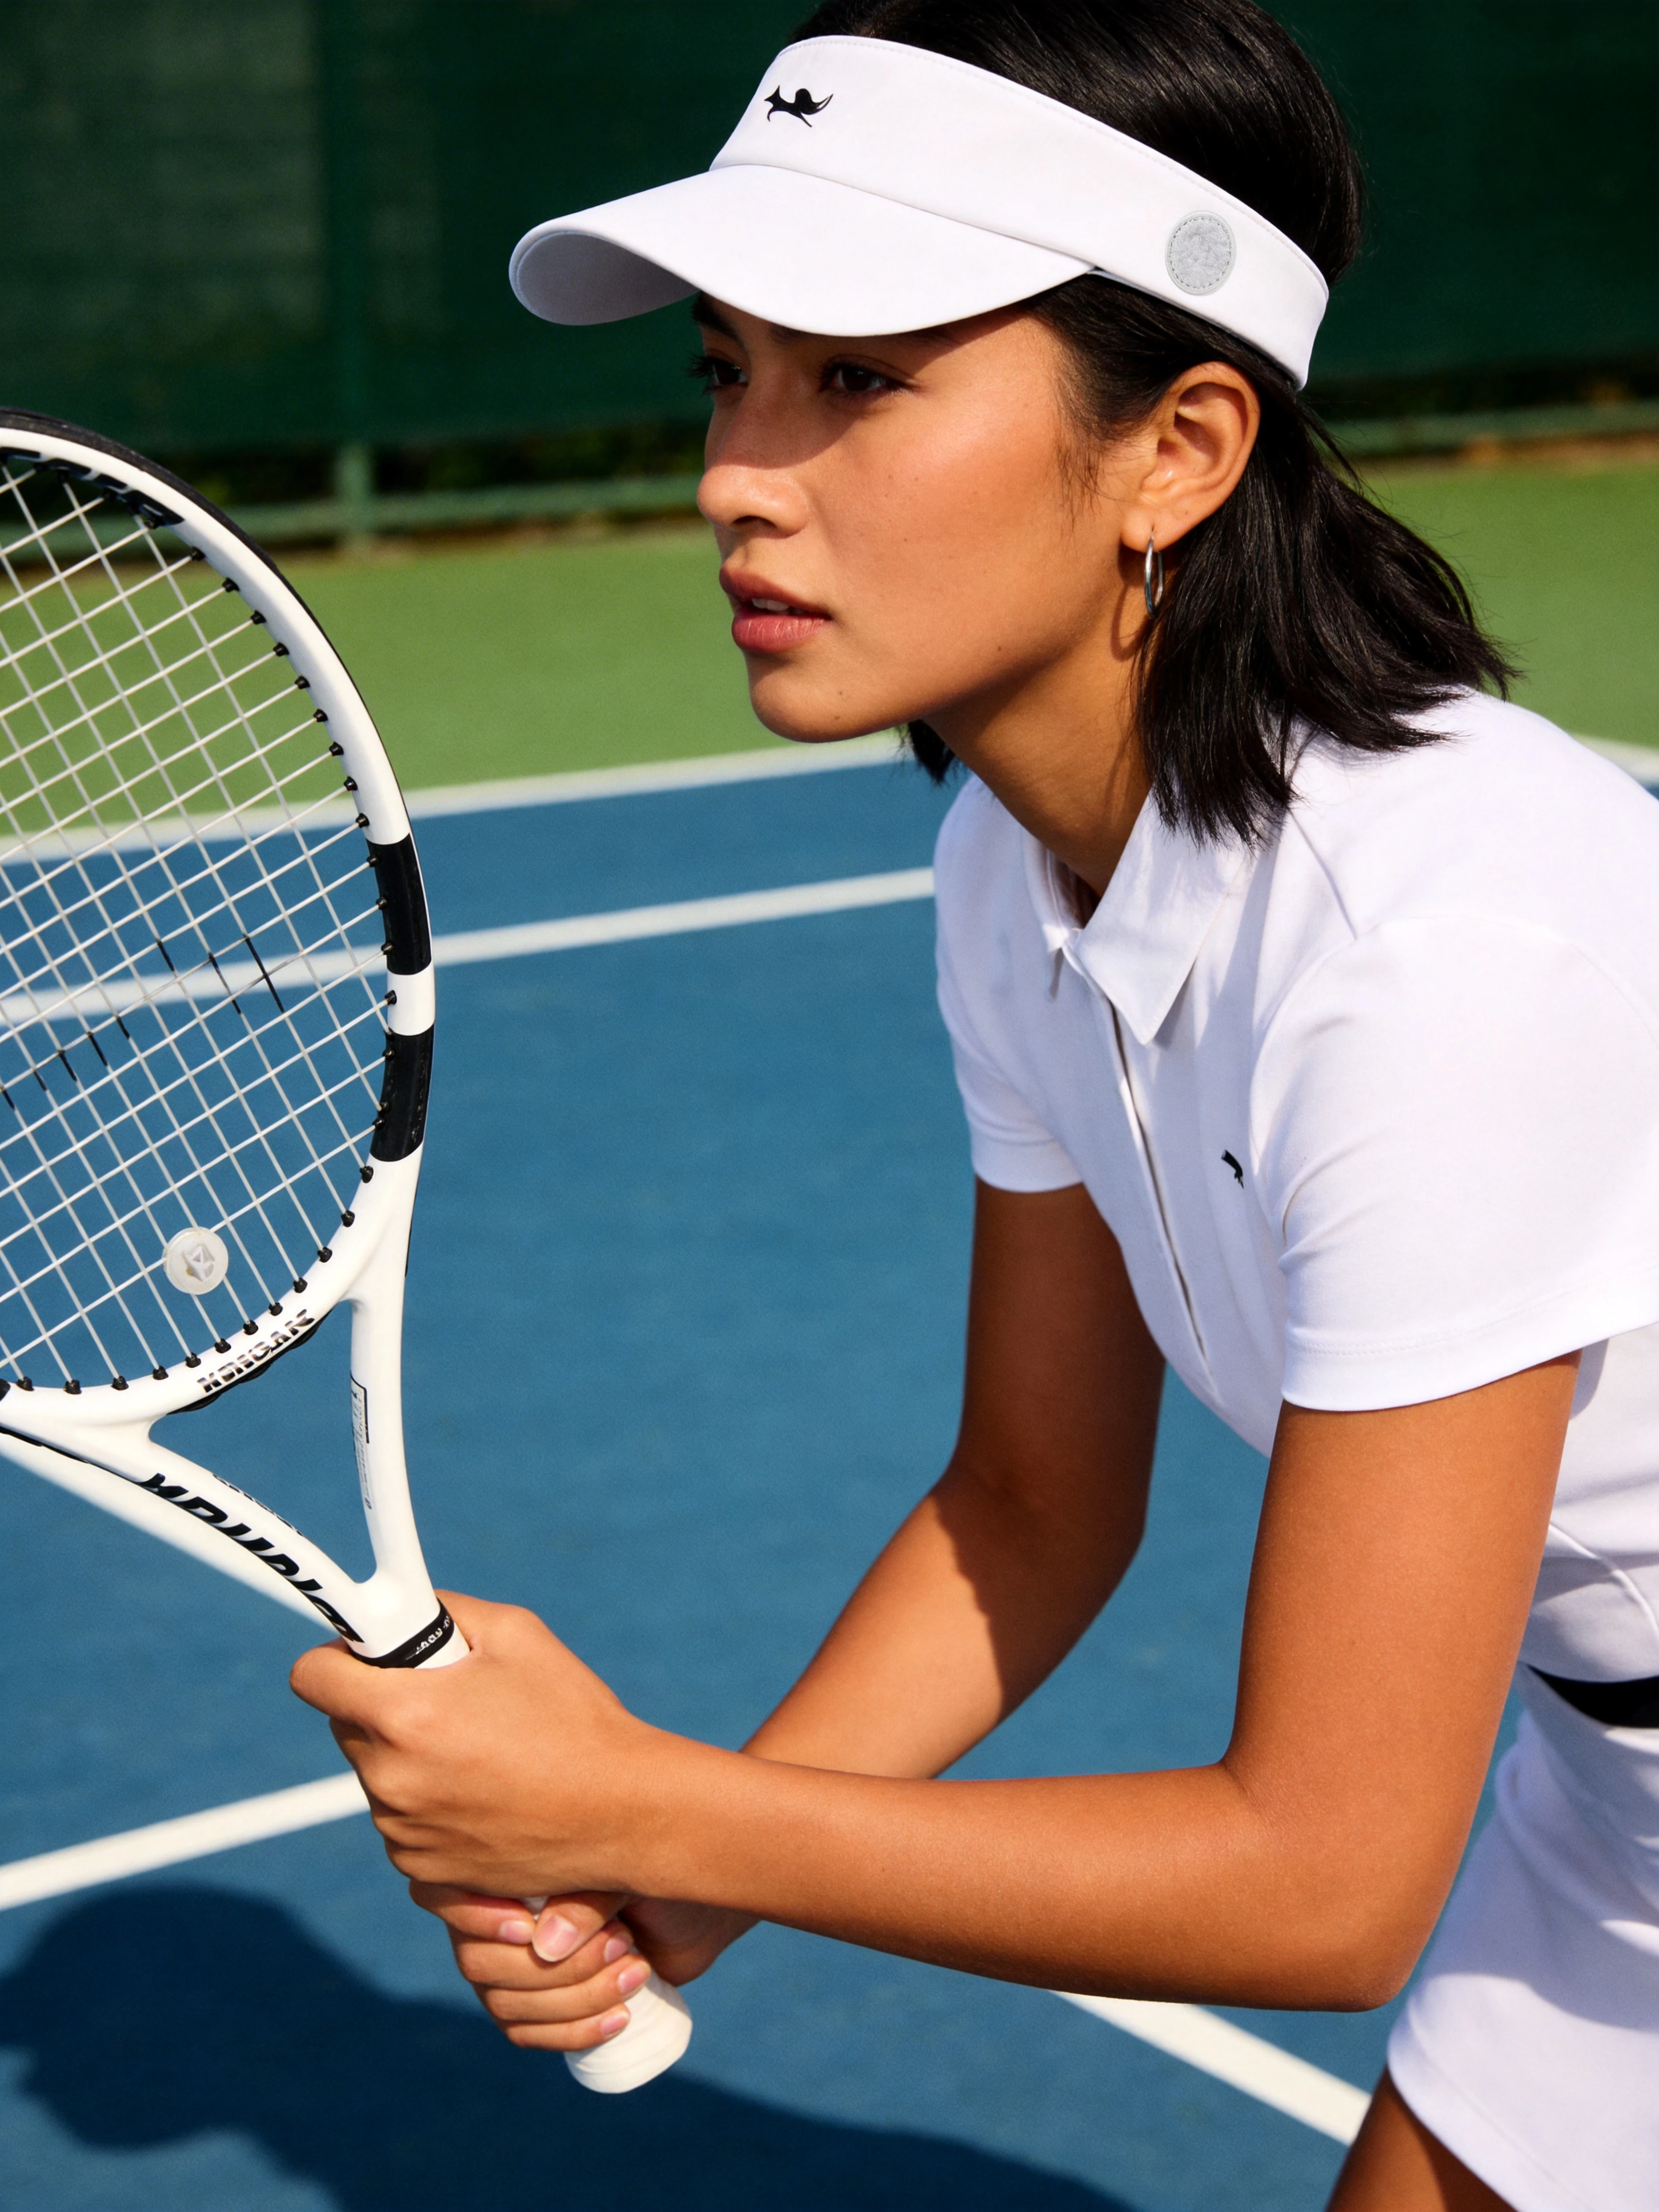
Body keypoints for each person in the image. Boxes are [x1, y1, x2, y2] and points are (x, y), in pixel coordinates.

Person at [292, 5, 1659, 2205]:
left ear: (1179, 449)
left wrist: (639, 1806)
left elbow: (1319, 1888)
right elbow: (1031, 1504)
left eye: (857, 378)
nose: (737, 474)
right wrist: (685, 1876)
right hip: (1613, 1799)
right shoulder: (1009, 869)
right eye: (727, 372)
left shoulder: (1448, 957)